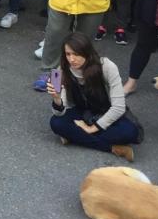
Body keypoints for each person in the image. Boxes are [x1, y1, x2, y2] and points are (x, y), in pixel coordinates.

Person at [47, 32, 139, 162]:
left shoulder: (107, 66)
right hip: (80, 113)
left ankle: (74, 136)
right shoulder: (59, 70)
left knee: (130, 132)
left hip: (105, 112)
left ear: (87, 52)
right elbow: (59, 112)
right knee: (56, 123)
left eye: (76, 54)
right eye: (68, 54)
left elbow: (119, 107)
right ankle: (113, 148)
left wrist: (91, 128)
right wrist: (56, 99)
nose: (71, 59)